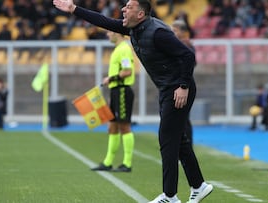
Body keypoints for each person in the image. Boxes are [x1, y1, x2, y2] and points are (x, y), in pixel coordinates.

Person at [53, 0, 213, 202]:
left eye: (128, 7)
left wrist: (183, 86)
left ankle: (170, 196)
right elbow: (103, 21)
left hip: (177, 89)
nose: (123, 9)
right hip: (167, 89)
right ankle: (199, 185)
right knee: (177, 140)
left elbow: (188, 55)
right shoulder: (133, 28)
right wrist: (73, 9)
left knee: (167, 140)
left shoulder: (158, 33)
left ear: (140, 14)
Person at [91, 30, 135, 173]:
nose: (108, 35)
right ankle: (108, 162)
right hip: (116, 91)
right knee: (112, 127)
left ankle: (127, 164)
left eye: (110, 32)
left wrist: (110, 79)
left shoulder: (123, 49)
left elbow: (127, 71)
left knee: (124, 126)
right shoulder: (119, 49)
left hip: (122, 90)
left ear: (117, 33)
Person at [170, 19, 194, 145]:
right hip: (175, 84)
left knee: (184, 118)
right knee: (178, 118)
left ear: (183, 32)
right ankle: (180, 144)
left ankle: (187, 143)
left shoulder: (187, 45)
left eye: (175, 30)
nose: (172, 33)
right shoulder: (173, 44)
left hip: (184, 86)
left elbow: (191, 63)